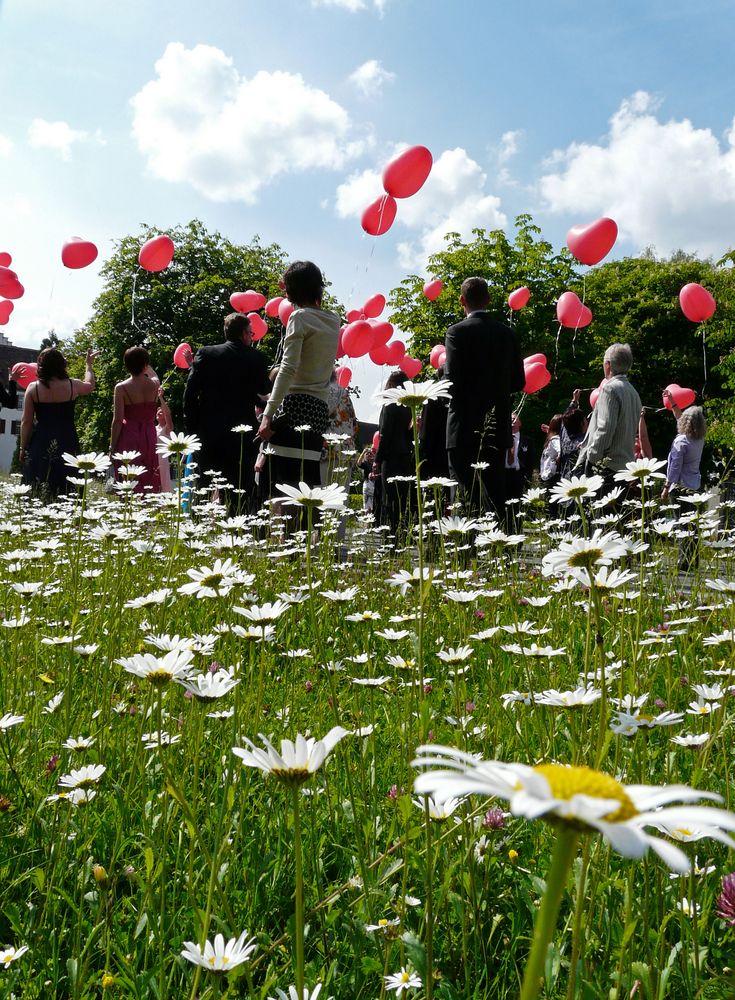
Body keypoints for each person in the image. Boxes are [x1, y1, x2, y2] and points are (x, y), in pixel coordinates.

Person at [444, 276, 525, 520]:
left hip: (463, 428)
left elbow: (451, 382)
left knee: (465, 495)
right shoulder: (508, 335)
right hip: (496, 427)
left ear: (461, 300)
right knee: (495, 493)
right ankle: (499, 550)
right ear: (489, 300)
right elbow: (519, 382)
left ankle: (466, 553)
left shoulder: (456, 332)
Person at [256, 261, 340, 495]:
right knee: (305, 491)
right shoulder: (334, 321)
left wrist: (268, 414)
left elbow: (288, 368)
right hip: (317, 413)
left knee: (281, 491)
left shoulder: (299, 318)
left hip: (293, 408)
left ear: (292, 290)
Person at [184, 312, 271, 513]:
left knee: (204, 485)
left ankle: (199, 533)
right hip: (241, 433)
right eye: (251, 333)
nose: (252, 337)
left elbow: (190, 394)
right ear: (243, 334)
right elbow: (263, 390)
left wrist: (193, 428)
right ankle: (239, 529)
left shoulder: (206, 353)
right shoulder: (256, 358)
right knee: (240, 487)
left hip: (209, 431)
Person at [20, 347, 96, 498]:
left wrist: (23, 447)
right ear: (62, 364)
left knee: (38, 480)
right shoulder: (72, 385)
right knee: (68, 484)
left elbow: (27, 421)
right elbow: (90, 385)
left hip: (41, 441)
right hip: (68, 440)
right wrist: (88, 365)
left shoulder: (33, 388)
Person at [575, 343, 642, 487]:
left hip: (606, 466)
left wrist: (592, 457)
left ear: (608, 364)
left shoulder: (610, 389)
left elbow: (605, 427)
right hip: (625, 467)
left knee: (597, 509)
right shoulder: (633, 392)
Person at [661, 395, 707, 570]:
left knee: (682, 523)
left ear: (685, 423)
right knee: (693, 525)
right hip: (695, 486)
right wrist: (672, 403)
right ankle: (693, 560)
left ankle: (683, 561)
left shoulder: (681, 442)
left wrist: (666, 488)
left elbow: (674, 468)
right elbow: (681, 418)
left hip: (680, 487)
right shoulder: (698, 439)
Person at [109, 346, 161, 493]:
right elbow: (155, 375)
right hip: (150, 435)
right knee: (149, 475)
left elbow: (117, 420)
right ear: (145, 364)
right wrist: (146, 365)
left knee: (129, 478)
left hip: (130, 436)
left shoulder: (121, 388)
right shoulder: (154, 384)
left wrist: (112, 447)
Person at [376, 370, 414, 537]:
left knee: (389, 499)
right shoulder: (408, 406)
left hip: (390, 457)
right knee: (401, 499)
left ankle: (390, 537)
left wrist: (378, 459)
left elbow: (384, 433)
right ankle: (401, 533)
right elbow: (409, 434)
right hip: (405, 455)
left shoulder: (388, 404)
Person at [559, 392, 588, 479]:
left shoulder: (565, 437)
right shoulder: (584, 443)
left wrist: (574, 401)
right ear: (582, 423)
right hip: (580, 482)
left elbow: (565, 420)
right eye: (585, 419)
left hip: (564, 480)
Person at [155, 390, 174, 493]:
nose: (159, 411)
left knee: (163, 485)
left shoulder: (167, 428)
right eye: (158, 411)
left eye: (162, 411)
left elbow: (168, 415)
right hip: (152, 458)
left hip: (162, 460)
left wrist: (161, 397)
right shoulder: (152, 428)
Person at [539, 414, 563, 486]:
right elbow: (560, 451)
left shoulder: (554, 439)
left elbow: (560, 452)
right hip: (551, 475)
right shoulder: (555, 439)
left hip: (549, 474)